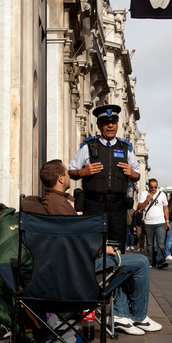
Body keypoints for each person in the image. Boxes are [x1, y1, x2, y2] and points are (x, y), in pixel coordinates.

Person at [39, 159, 162, 336]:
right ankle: (137, 315)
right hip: (80, 268)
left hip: (73, 263)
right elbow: (76, 241)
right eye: (67, 174)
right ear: (60, 178)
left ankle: (122, 314)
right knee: (141, 262)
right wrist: (101, 248)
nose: (69, 176)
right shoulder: (58, 204)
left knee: (125, 262)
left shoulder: (53, 200)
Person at [69, 104, 140, 253]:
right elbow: (71, 171)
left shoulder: (125, 148)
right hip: (93, 204)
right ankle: (91, 274)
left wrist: (133, 174)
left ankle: (115, 274)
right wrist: (82, 172)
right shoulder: (88, 146)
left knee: (118, 245)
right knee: (92, 243)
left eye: (113, 122)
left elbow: (137, 174)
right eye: (106, 123)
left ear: (117, 124)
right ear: (99, 125)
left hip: (118, 206)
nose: (110, 126)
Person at [138, 179, 169, 269]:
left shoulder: (162, 195)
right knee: (150, 244)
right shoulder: (144, 194)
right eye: (152, 187)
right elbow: (140, 208)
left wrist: (167, 221)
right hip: (149, 223)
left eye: (155, 187)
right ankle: (151, 261)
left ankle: (161, 261)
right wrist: (148, 199)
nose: (153, 189)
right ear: (149, 187)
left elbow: (166, 208)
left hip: (160, 222)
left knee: (161, 243)